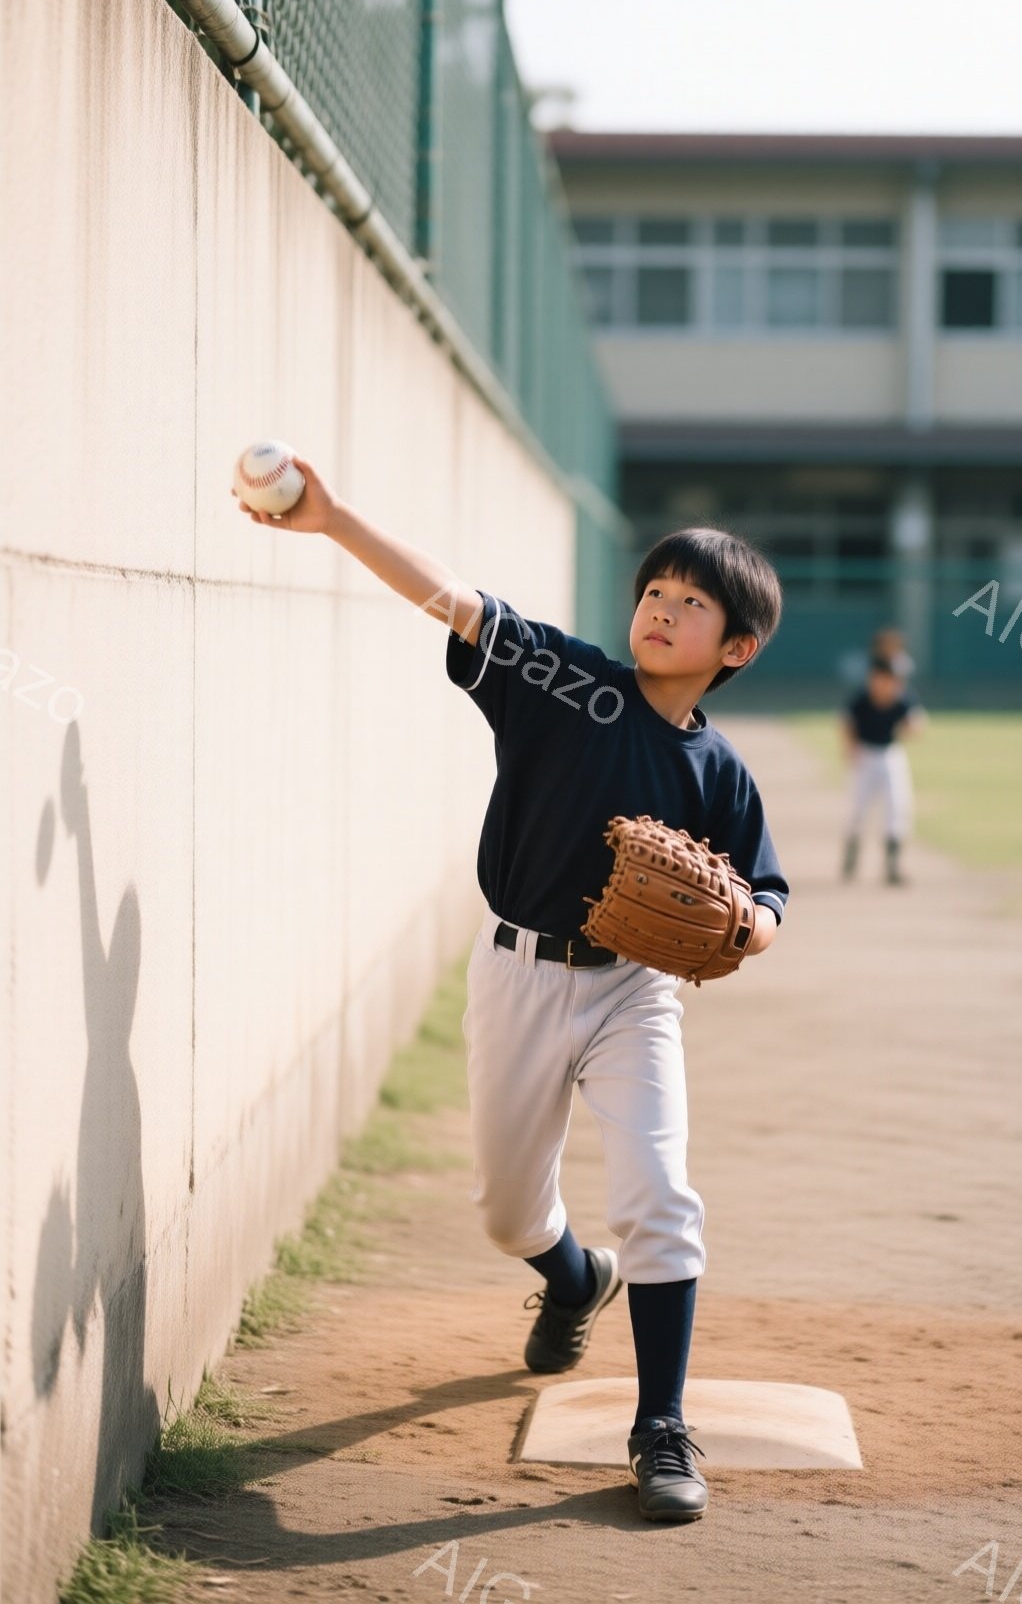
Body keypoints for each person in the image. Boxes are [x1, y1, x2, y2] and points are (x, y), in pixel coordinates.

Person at [234, 462, 789, 1524]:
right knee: (504, 1212)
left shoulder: (720, 773)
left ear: (736, 648)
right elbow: (452, 596)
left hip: (633, 994)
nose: (661, 611)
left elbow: (766, 889)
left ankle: (660, 1426)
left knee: (661, 1195)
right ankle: (576, 1277)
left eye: (690, 603)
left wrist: (752, 925)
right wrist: (334, 516)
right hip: (516, 970)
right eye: (655, 592)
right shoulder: (567, 683)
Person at [840, 650, 927, 885]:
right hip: (866, 755)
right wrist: (850, 747)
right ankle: (852, 853)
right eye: (882, 678)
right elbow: (847, 722)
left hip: (890, 755)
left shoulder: (902, 697)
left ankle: (892, 865)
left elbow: (917, 722)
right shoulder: (862, 698)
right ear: (873, 678)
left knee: (897, 807)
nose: (887, 684)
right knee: (859, 809)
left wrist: (912, 725)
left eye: (892, 680)